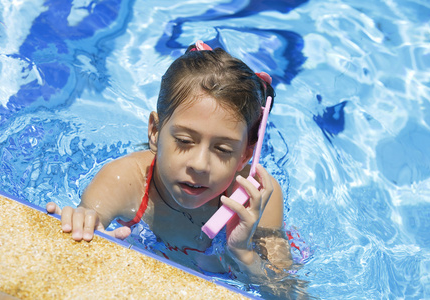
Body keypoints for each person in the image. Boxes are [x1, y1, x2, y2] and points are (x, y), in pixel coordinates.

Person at [46, 40, 292, 282]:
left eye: (222, 149)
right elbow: (88, 225)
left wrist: (244, 254)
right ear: (155, 131)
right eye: (184, 141)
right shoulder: (124, 182)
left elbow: (290, 293)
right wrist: (78, 230)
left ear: (245, 156)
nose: (199, 164)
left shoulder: (257, 200)